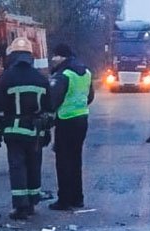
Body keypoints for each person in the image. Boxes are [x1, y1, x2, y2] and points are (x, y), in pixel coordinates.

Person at [0, 37, 52, 220]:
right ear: (30, 56)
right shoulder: (41, 78)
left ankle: (20, 206)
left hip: (14, 131)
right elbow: (49, 109)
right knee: (34, 165)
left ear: (14, 55)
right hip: (36, 132)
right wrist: (47, 130)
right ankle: (32, 202)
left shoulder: (6, 77)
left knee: (17, 167)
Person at [47, 43, 94, 210]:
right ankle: (77, 197)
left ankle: (64, 200)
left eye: (55, 56)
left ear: (62, 57)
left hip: (65, 120)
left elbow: (53, 100)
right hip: (82, 119)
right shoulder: (85, 72)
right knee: (75, 159)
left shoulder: (64, 75)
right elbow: (90, 96)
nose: (53, 59)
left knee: (63, 161)